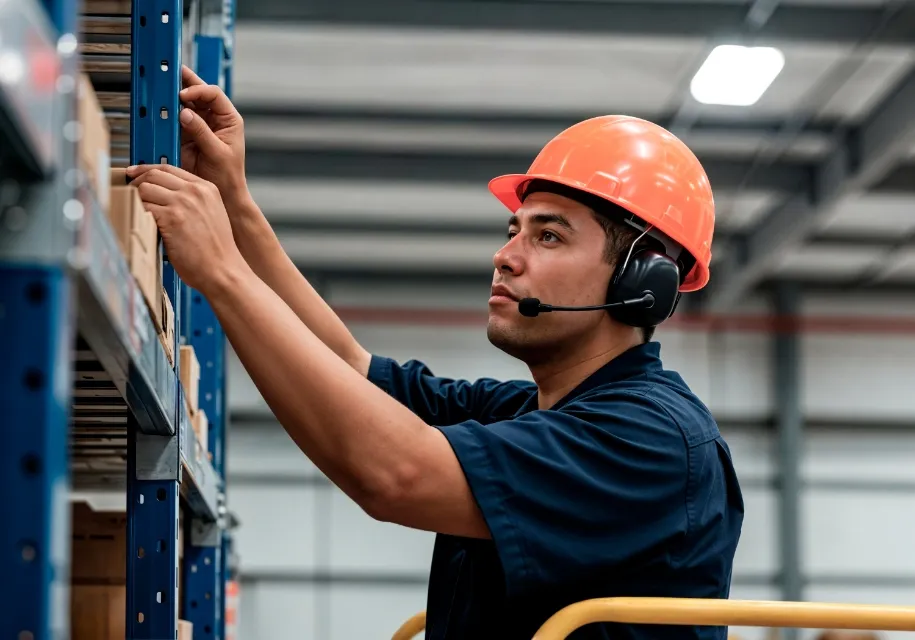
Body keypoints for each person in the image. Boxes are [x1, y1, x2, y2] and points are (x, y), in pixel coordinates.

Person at [127, 66, 744, 639]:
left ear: (642, 284)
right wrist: (234, 203)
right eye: (514, 231)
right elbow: (348, 368)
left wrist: (222, 273)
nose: (507, 256)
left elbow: (395, 475)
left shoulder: (649, 441)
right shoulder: (528, 414)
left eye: (549, 235)